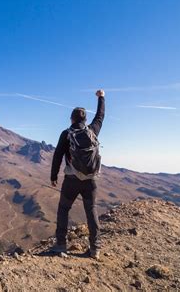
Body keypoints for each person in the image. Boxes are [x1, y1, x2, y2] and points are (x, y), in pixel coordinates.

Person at [50, 89, 105, 259]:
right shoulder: (93, 131)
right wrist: (101, 98)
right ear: (85, 119)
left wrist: (53, 176)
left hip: (72, 180)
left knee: (63, 209)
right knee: (91, 210)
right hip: (91, 180)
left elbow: (58, 154)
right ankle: (95, 249)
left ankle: (60, 245)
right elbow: (100, 116)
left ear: (71, 118)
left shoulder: (67, 134)